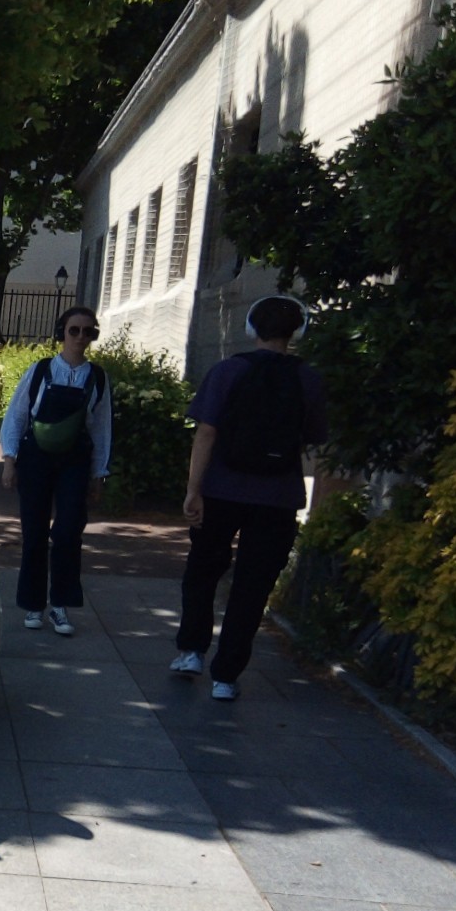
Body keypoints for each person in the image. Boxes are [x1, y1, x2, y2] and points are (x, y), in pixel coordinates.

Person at [171, 295, 328, 700]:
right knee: (252, 586)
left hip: (222, 489)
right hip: (278, 496)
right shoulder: (309, 378)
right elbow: (312, 439)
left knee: (203, 571)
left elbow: (206, 433)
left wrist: (194, 489)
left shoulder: (227, 371)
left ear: (250, 329)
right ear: (297, 332)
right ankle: (226, 676)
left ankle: (191, 651)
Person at [0, 306, 112, 635]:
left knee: (68, 533)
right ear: (61, 332)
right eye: (74, 330)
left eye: (88, 331)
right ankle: (34, 604)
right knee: (33, 533)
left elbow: (102, 429)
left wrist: (99, 473)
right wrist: (9, 460)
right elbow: (17, 415)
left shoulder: (98, 378)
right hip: (35, 457)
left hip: (75, 459)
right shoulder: (40, 370)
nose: (80, 337)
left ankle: (60, 605)